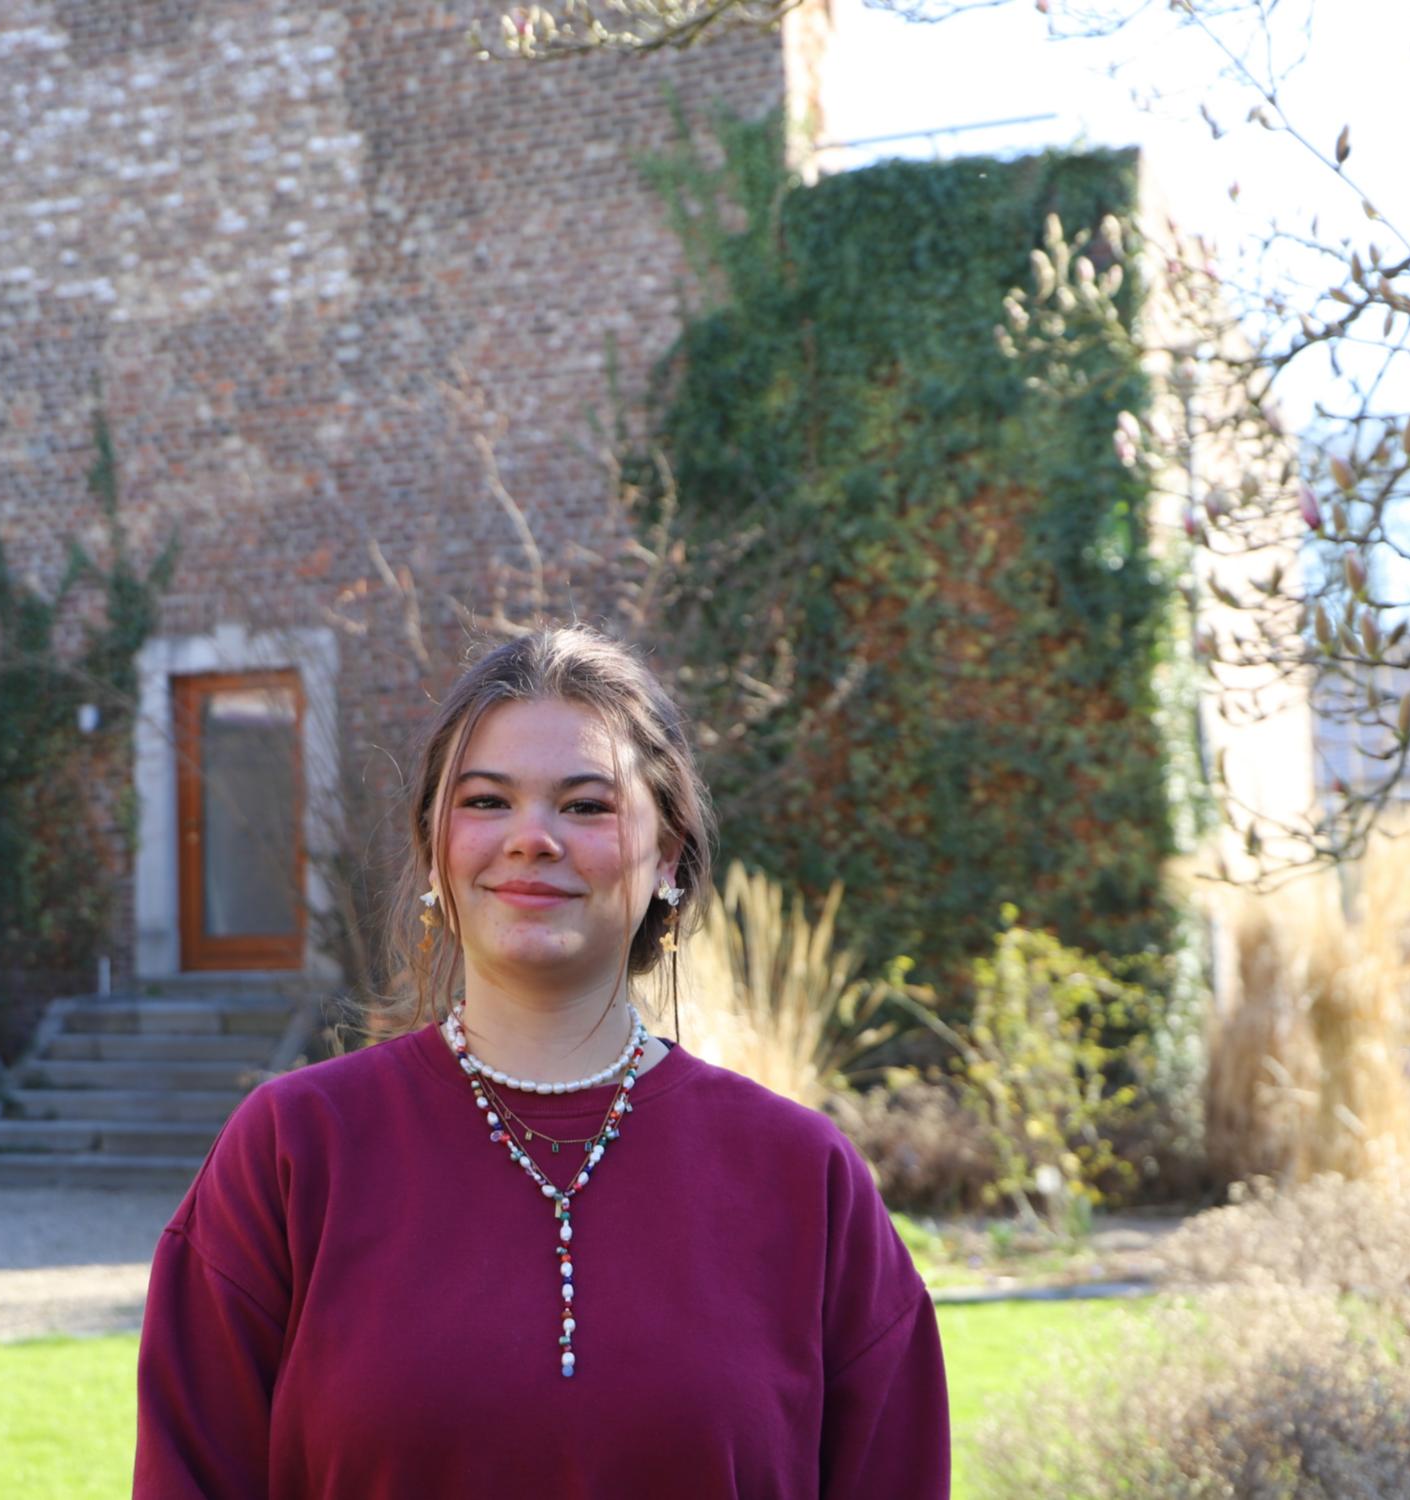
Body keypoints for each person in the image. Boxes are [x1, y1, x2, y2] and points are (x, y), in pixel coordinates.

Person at [134, 624, 949, 1498]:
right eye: (486, 801)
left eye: (587, 805)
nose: (532, 837)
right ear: (436, 850)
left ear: (668, 855)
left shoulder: (802, 1177)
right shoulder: (295, 1152)